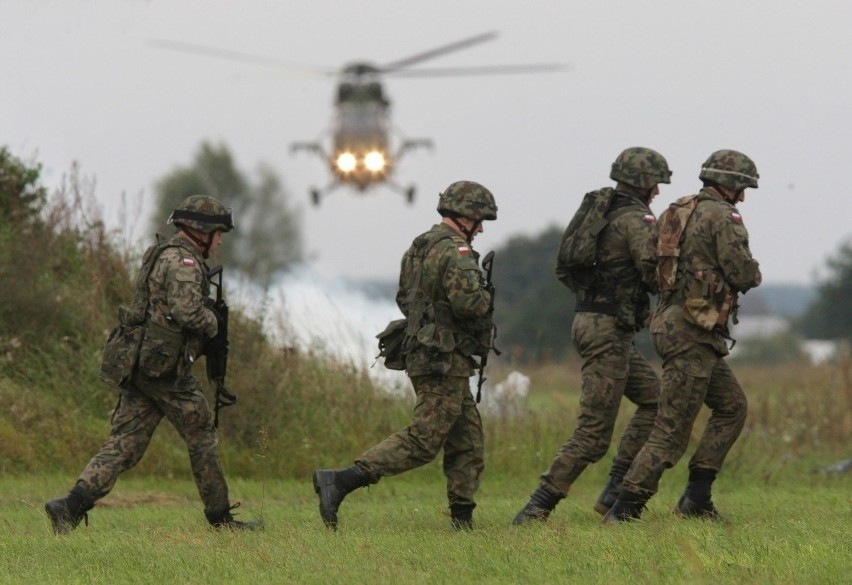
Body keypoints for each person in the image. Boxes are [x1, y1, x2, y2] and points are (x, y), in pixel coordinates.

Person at [45, 195, 260, 533]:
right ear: (200, 230)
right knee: (201, 434)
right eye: (218, 233)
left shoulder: (165, 253)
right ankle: (220, 519)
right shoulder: (183, 262)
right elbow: (187, 311)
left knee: (125, 443)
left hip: (144, 365)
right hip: (165, 370)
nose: (220, 241)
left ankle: (69, 506)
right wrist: (214, 323)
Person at [312, 180, 498, 530]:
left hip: (430, 351)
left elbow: (404, 298)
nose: (482, 228)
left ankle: (463, 520)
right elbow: (470, 304)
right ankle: (341, 480)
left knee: (467, 440)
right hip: (442, 357)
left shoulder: (419, 246)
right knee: (425, 440)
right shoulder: (456, 252)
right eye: (480, 219)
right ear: (465, 216)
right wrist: (485, 297)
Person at [513, 147, 671, 524]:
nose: (658, 193)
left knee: (656, 400)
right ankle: (537, 508)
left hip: (595, 323)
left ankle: (615, 489)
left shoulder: (602, 212)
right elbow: (653, 273)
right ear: (645, 181)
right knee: (593, 434)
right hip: (607, 330)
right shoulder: (637, 219)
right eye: (656, 184)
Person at [604, 149, 762, 523]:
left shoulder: (676, 210)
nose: (743, 196)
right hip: (694, 331)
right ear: (731, 184)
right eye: (742, 187)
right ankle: (625, 508)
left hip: (673, 325)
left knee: (732, 407)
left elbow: (648, 263)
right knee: (671, 427)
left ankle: (697, 498)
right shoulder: (724, 216)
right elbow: (743, 272)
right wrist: (751, 274)